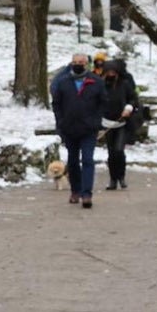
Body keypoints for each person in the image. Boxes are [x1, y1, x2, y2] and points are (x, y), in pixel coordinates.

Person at [52, 49, 106, 208]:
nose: (77, 66)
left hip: (89, 129)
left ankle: (87, 194)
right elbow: (56, 104)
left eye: (80, 63)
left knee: (88, 160)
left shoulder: (96, 82)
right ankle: (75, 190)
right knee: (73, 161)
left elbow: (103, 103)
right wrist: (60, 121)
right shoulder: (63, 82)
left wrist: (96, 120)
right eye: (74, 63)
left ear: (87, 64)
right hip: (69, 128)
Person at [100, 59, 138, 191]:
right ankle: (112, 179)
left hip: (121, 122)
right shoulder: (101, 85)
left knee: (118, 150)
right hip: (107, 123)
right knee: (111, 153)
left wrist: (129, 108)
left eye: (113, 72)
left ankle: (121, 176)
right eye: (108, 72)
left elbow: (133, 99)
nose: (110, 74)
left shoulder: (125, 84)